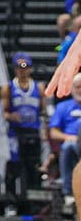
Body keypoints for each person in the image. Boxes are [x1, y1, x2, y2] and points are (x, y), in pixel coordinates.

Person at [1, 52, 45, 216]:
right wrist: (12, 116)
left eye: (25, 67)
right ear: (15, 69)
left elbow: (44, 110)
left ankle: (35, 205)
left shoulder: (38, 88)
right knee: (13, 169)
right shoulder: (9, 88)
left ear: (30, 69)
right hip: (15, 133)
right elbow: (4, 113)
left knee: (33, 169)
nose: (23, 71)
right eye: (19, 67)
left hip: (32, 131)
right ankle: (11, 203)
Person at [50, 73, 81, 213]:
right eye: (77, 87)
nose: (80, 90)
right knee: (69, 146)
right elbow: (53, 133)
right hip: (72, 142)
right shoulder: (63, 107)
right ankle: (68, 191)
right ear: (72, 88)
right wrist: (69, 137)